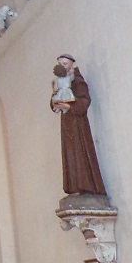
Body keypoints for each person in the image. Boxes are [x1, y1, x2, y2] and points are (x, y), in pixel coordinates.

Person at [50, 54, 106, 195]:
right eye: (60, 64)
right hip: (66, 123)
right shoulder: (59, 83)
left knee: (80, 152)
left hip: (78, 124)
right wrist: (56, 104)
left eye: (65, 64)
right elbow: (54, 99)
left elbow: (84, 101)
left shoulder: (77, 81)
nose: (62, 67)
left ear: (71, 65)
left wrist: (71, 107)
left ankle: (86, 186)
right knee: (69, 154)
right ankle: (74, 187)